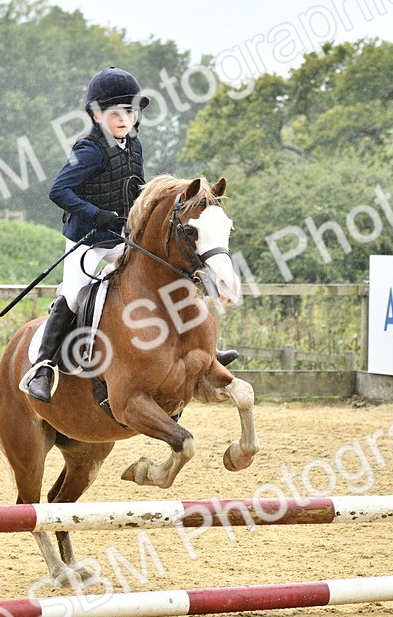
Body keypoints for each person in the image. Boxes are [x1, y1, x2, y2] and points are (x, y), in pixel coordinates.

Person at [23, 67, 235, 403]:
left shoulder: (134, 147)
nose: (125, 118)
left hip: (121, 237)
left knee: (166, 276)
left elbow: (139, 189)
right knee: (75, 296)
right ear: (97, 115)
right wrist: (98, 215)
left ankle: (202, 346)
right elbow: (58, 190)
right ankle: (42, 367)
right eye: (116, 112)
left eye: (130, 111)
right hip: (87, 241)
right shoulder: (90, 150)